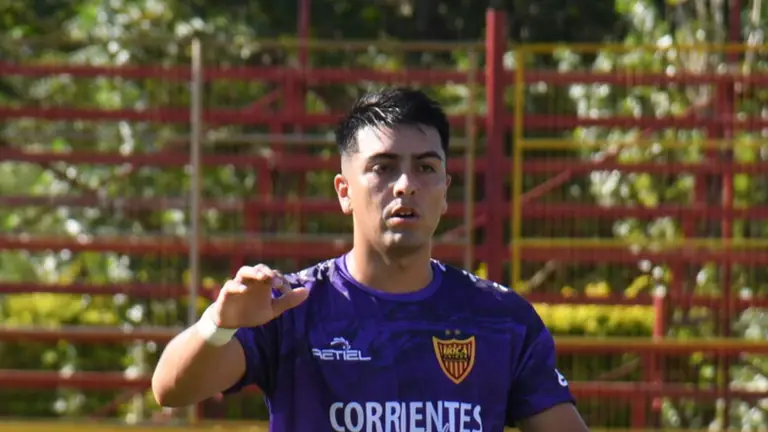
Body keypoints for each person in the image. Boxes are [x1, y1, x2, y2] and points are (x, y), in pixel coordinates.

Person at [152, 88, 589, 432]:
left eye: (426, 168)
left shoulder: (501, 318)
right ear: (344, 191)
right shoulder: (291, 306)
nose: (405, 185)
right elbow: (170, 388)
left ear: (445, 191)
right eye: (384, 167)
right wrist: (220, 324)